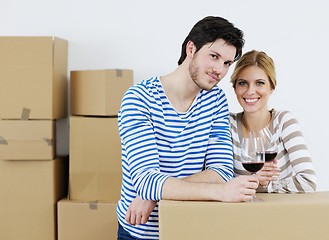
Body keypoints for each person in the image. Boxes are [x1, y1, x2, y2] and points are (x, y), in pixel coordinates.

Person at [117, 16, 259, 240]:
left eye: (226, 63)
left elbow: (221, 171)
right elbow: (146, 180)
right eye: (214, 56)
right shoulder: (139, 98)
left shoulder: (215, 101)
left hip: (190, 227)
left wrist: (155, 194)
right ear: (191, 48)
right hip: (142, 232)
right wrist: (220, 192)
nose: (219, 70)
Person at [229, 50, 317, 193]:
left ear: (271, 87)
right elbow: (217, 183)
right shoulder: (227, 124)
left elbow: (308, 181)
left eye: (259, 83)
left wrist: (266, 185)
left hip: (277, 213)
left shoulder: (283, 121)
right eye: (243, 83)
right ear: (235, 88)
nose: (250, 91)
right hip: (235, 214)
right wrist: (255, 181)